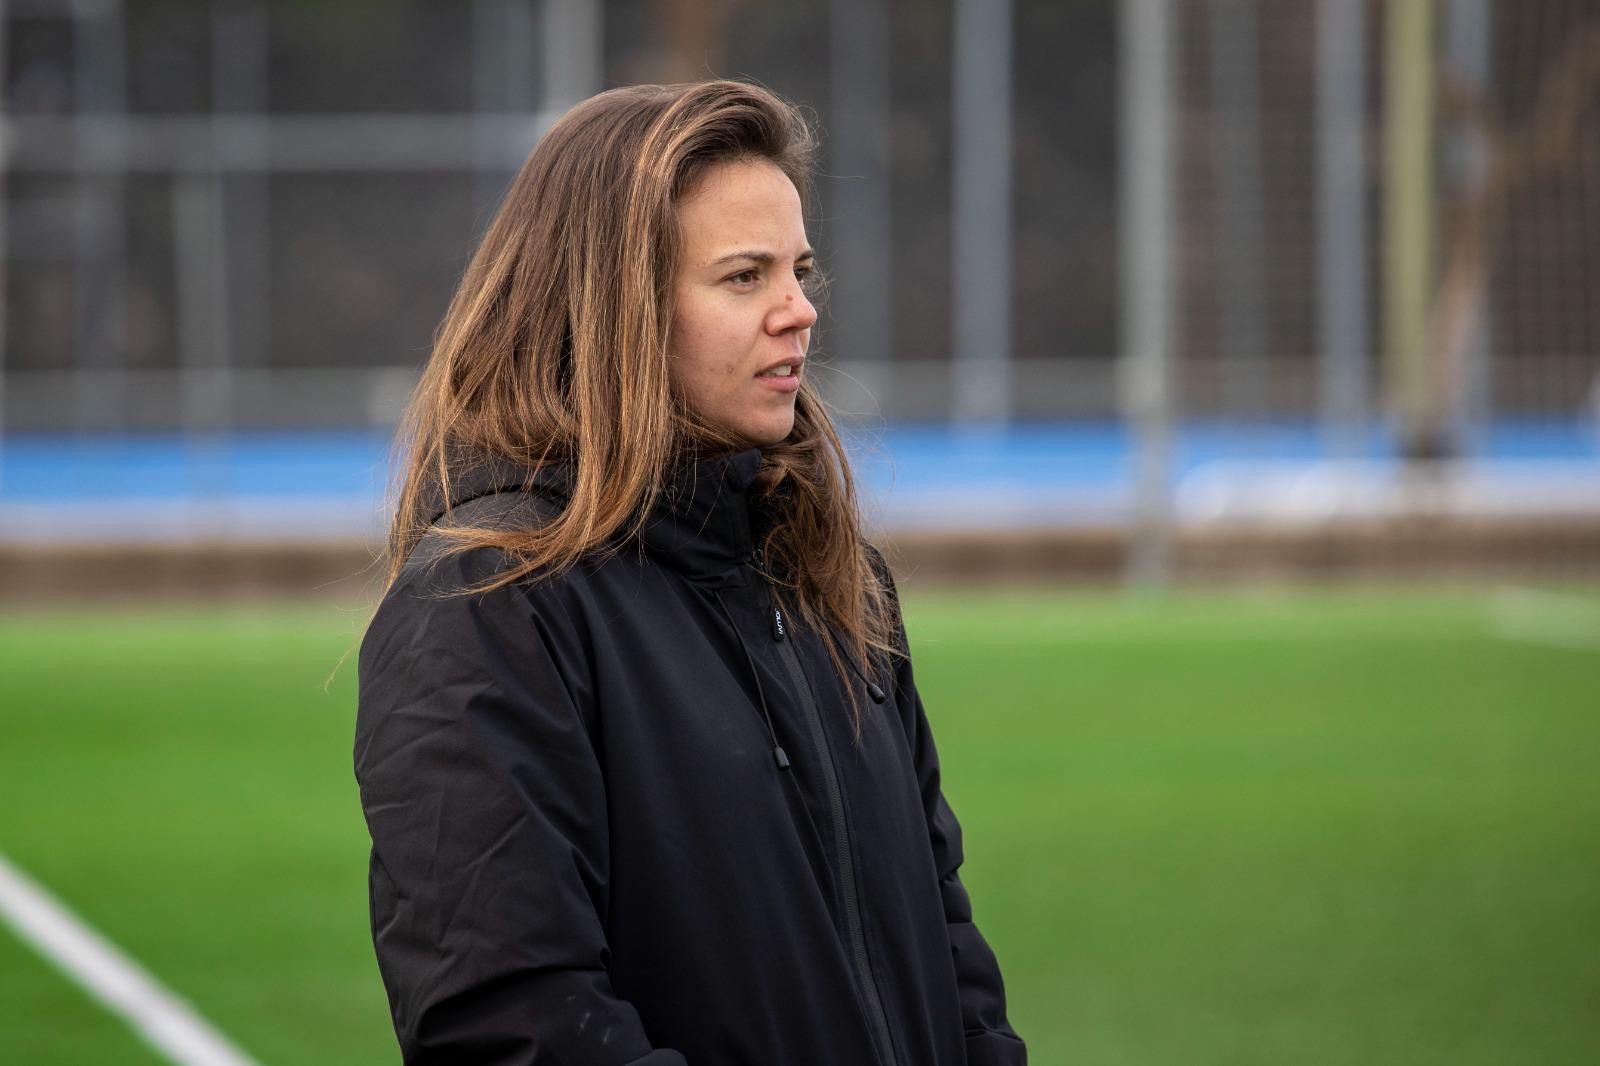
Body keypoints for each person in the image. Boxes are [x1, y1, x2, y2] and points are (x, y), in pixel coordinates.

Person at [355, 79, 1026, 1066]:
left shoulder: (832, 576)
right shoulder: (489, 604)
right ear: (614, 308)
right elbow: (512, 1023)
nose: (798, 311)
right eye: (744, 277)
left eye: (800, 270)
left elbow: (943, 933)